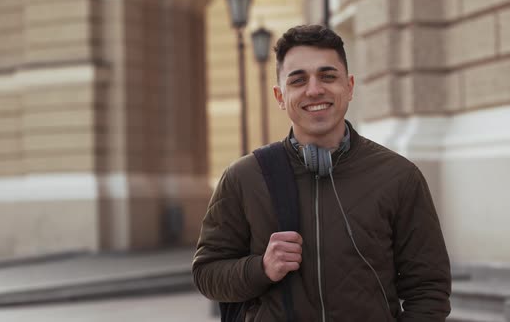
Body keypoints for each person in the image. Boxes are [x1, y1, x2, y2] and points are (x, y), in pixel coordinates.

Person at [193, 24, 451, 322]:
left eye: (328, 76)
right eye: (298, 80)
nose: (314, 89)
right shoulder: (244, 178)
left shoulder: (399, 176)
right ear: (280, 96)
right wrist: (261, 268)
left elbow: (429, 288)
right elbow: (206, 272)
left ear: (350, 86)